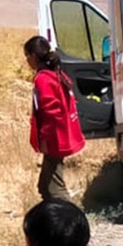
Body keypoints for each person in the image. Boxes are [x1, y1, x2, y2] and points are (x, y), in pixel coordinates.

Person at [24, 36, 85, 201]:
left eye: (27, 56)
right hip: (59, 135)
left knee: (55, 188)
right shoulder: (55, 74)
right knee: (44, 186)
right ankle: (52, 214)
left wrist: (45, 138)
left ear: (34, 56)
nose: (27, 61)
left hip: (54, 138)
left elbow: (51, 111)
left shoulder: (43, 79)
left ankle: (68, 217)